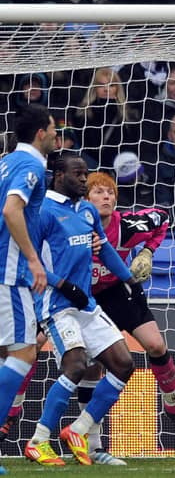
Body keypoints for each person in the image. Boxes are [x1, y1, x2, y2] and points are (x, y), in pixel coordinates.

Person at [24, 154, 146, 466]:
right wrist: (64, 285)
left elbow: (104, 247)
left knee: (123, 363)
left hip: (85, 304)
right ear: (58, 175)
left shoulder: (87, 210)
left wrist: (128, 278)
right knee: (76, 365)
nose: (83, 180)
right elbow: (30, 262)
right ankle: (38, 441)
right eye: (78, 174)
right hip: (56, 304)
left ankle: (78, 430)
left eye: (85, 174)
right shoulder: (42, 212)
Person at [83, 171, 175, 445]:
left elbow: (163, 216)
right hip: (84, 296)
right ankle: (88, 439)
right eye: (99, 192)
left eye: (110, 192)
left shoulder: (126, 225)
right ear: (85, 198)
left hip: (118, 290)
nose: (107, 197)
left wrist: (148, 251)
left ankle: (174, 409)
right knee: (87, 365)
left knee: (156, 346)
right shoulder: (73, 226)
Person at [0, 104, 56, 475]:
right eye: (53, 129)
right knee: (23, 356)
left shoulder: (6, 161)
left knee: (11, 352)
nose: (57, 134)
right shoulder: (31, 165)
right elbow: (11, 210)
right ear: (40, 132)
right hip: (11, 274)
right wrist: (34, 261)